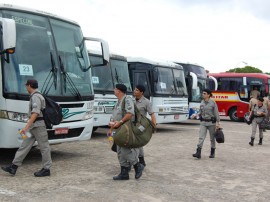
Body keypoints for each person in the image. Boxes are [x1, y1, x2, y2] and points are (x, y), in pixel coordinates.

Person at [1, 79, 52, 177]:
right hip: (34, 126)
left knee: (44, 147)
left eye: (26, 86)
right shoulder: (34, 96)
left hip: (38, 126)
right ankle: (14, 166)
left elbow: (35, 113)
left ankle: (46, 169)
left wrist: (26, 127)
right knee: (24, 146)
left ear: (29, 86)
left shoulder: (36, 97)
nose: (26, 88)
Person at [109, 84, 144, 180]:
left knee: (124, 150)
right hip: (118, 129)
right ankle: (124, 173)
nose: (114, 90)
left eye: (115, 89)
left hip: (126, 129)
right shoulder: (118, 102)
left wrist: (119, 122)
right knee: (119, 151)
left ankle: (137, 165)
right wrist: (112, 123)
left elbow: (129, 114)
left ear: (119, 91)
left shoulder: (127, 99)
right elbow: (117, 115)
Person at [192, 89, 220, 159]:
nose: (203, 95)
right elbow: (200, 111)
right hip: (203, 123)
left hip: (211, 123)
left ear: (208, 95)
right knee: (201, 137)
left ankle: (212, 152)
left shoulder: (213, 102)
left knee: (212, 138)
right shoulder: (202, 102)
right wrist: (195, 115)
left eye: (204, 93)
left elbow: (216, 113)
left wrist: (218, 123)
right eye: (203, 93)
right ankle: (198, 152)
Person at [133, 85, 156, 167]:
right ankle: (138, 160)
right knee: (134, 143)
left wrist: (154, 126)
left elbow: (152, 114)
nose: (134, 91)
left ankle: (139, 161)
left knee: (138, 143)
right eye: (134, 89)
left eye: (137, 90)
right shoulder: (132, 100)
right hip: (131, 124)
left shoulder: (146, 102)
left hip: (140, 126)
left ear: (141, 92)